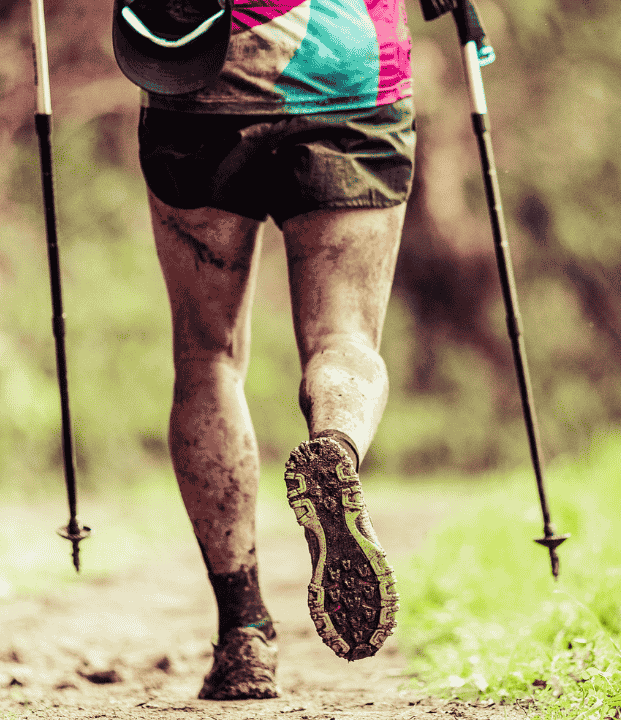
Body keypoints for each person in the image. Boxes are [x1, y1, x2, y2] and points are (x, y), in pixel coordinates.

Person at [111, 0, 414, 700]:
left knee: (207, 357)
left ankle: (243, 632)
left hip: (198, 67)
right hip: (353, 71)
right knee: (345, 338)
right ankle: (335, 448)